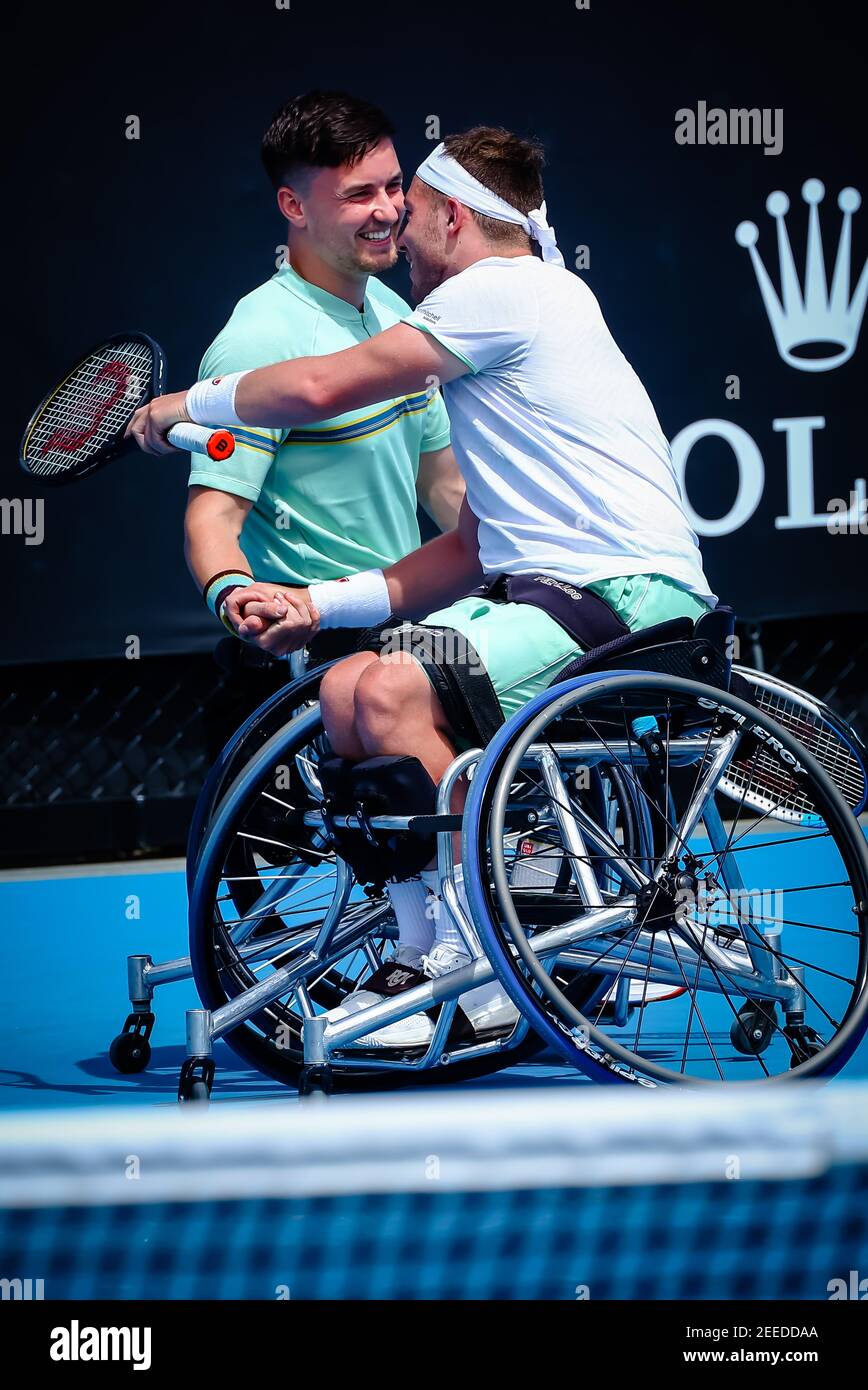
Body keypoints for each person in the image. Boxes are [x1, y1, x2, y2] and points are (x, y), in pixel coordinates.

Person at [131, 125, 717, 1048]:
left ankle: (479, 950)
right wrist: (315, 606)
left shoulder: (500, 293)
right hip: (556, 599)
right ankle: (423, 953)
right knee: (344, 684)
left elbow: (324, 385)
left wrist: (180, 409)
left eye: (410, 205)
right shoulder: (514, 316)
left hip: (628, 606)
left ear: (450, 213)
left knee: (394, 684)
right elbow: (462, 550)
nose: (397, 225)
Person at [183, 90, 462, 643]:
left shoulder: (395, 310)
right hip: (314, 644)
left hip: (406, 628)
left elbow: (442, 483)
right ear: (294, 207)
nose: (387, 210)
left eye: (393, 185)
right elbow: (212, 518)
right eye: (359, 194)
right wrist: (236, 594)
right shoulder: (257, 340)